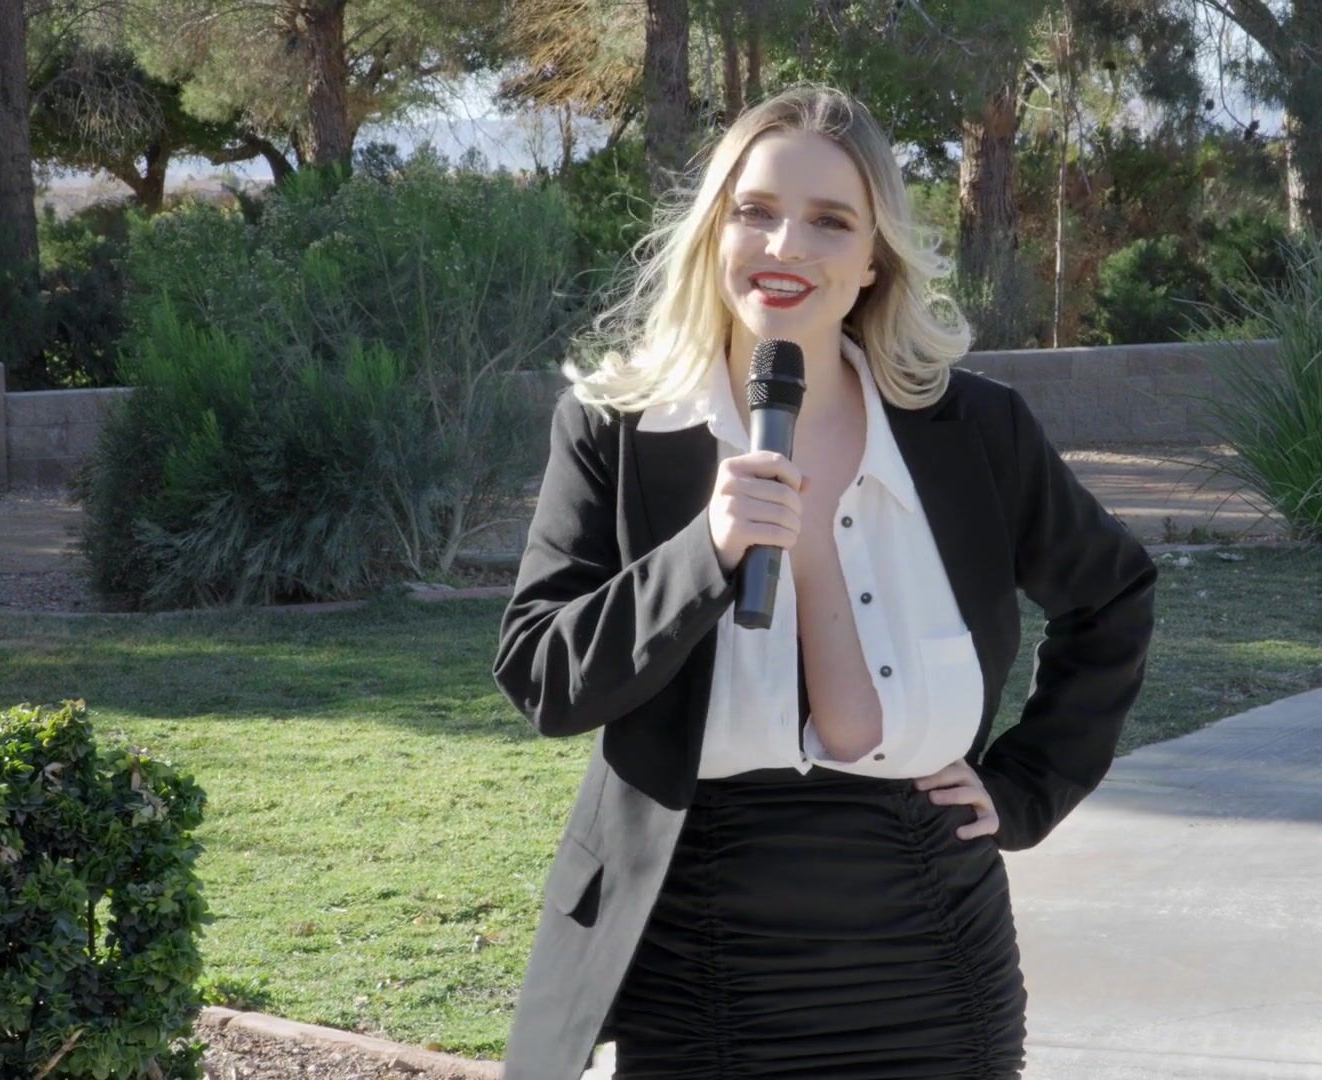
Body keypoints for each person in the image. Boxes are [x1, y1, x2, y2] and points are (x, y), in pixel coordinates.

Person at [491, 84, 1158, 1080]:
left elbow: (1112, 595)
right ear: (714, 231)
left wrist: (1026, 786)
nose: (785, 245)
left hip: (930, 953)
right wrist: (704, 552)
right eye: (756, 210)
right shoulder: (615, 427)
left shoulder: (973, 429)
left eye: (830, 221)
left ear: (874, 257)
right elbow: (542, 675)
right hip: (699, 955)